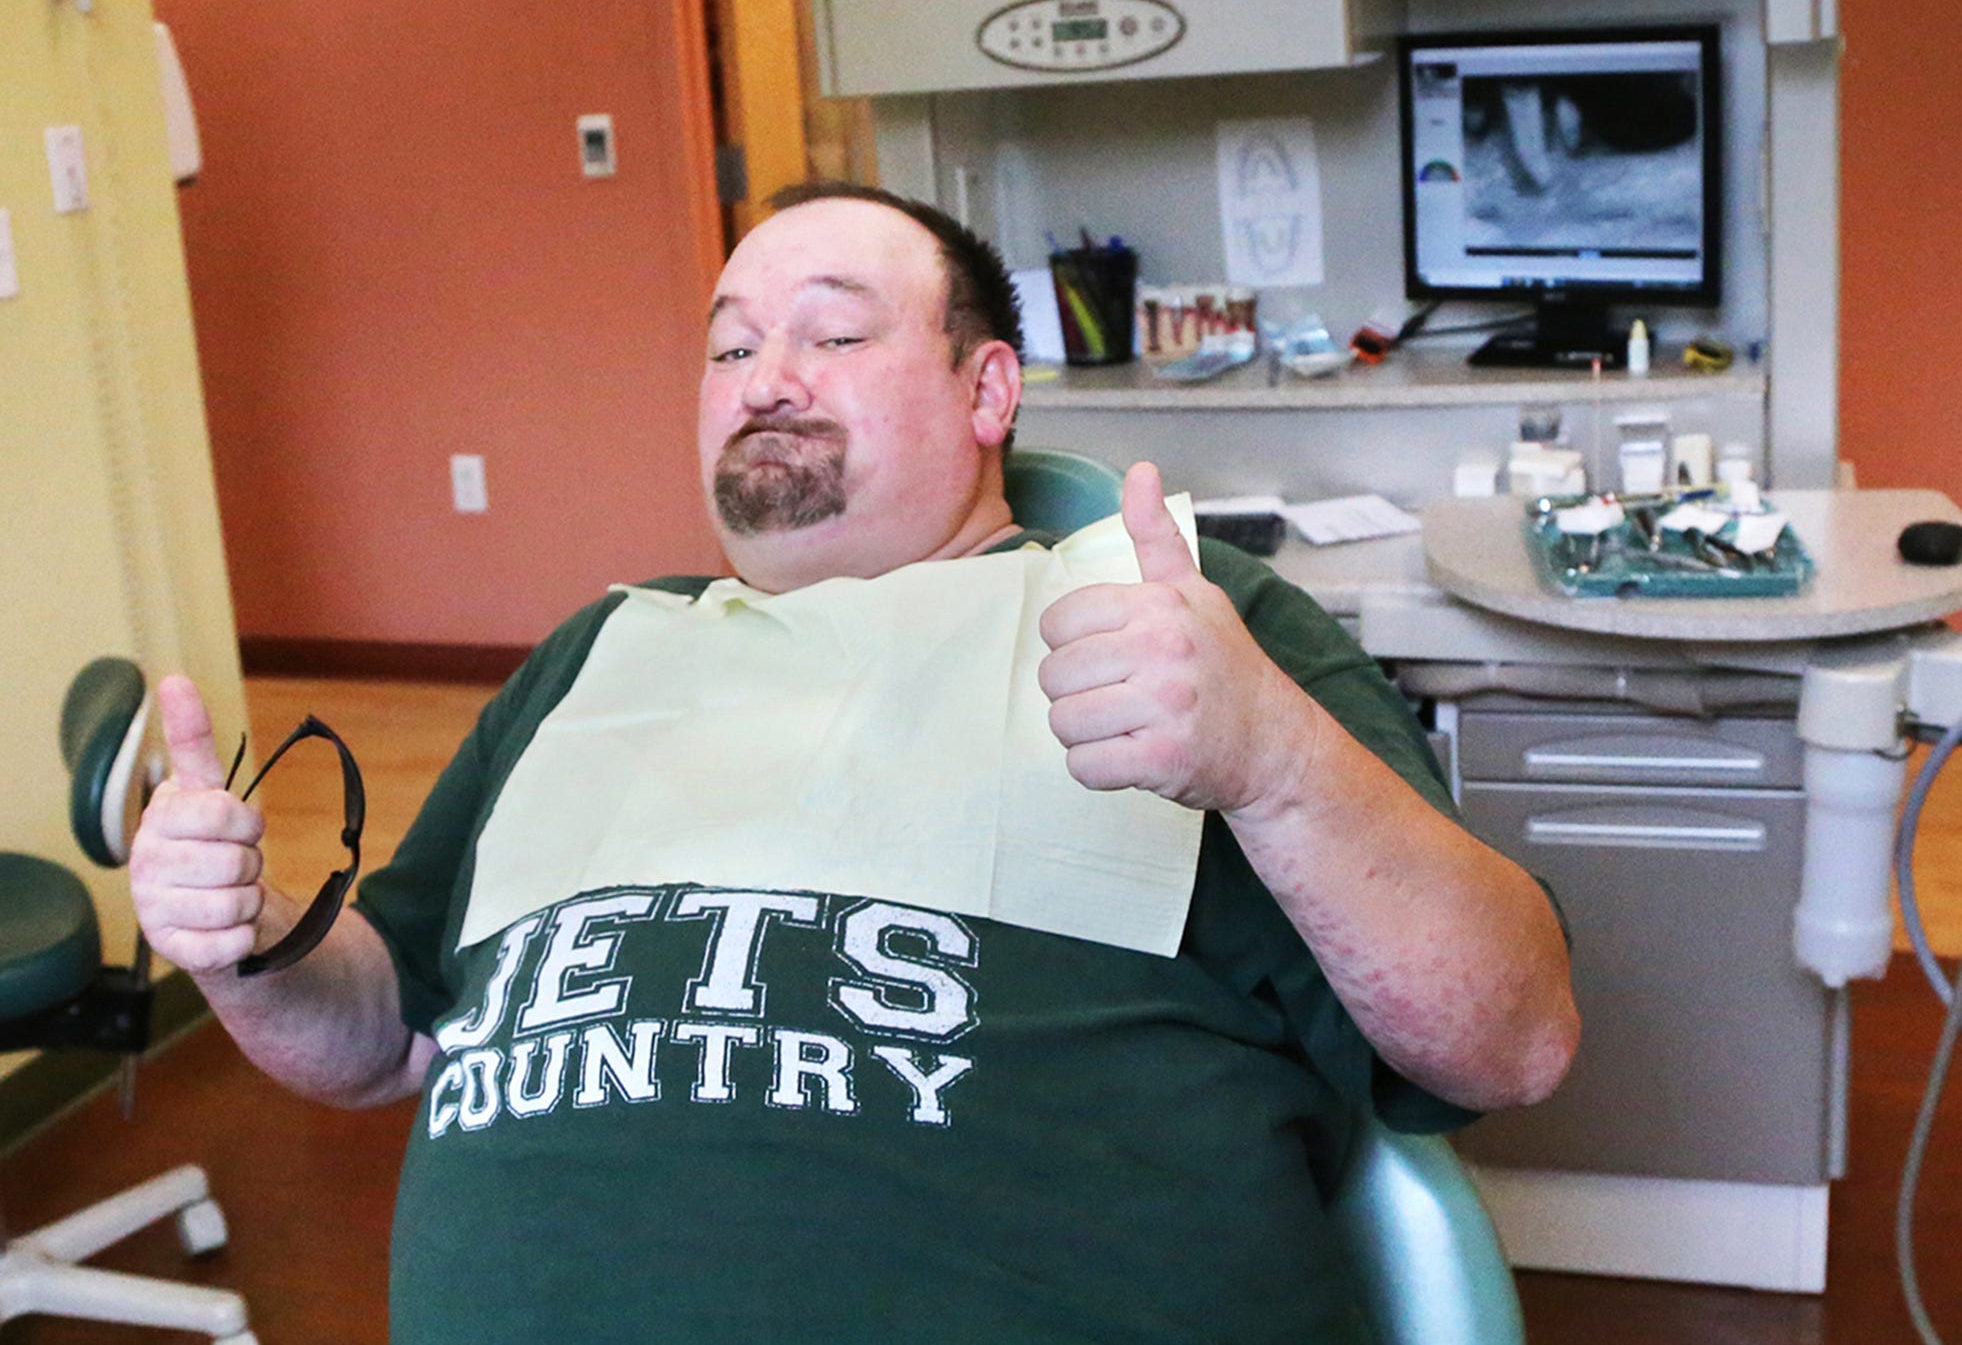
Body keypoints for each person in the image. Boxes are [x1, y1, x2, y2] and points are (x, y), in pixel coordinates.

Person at [131, 182, 1577, 1341]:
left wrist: (1271, 763)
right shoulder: (602, 651)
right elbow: (378, 1039)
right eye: (729, 343)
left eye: (832, 334)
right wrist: (246, 945)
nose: (767, 379)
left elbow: (1510, 1038)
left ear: (987, 390)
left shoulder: (1182, 626)